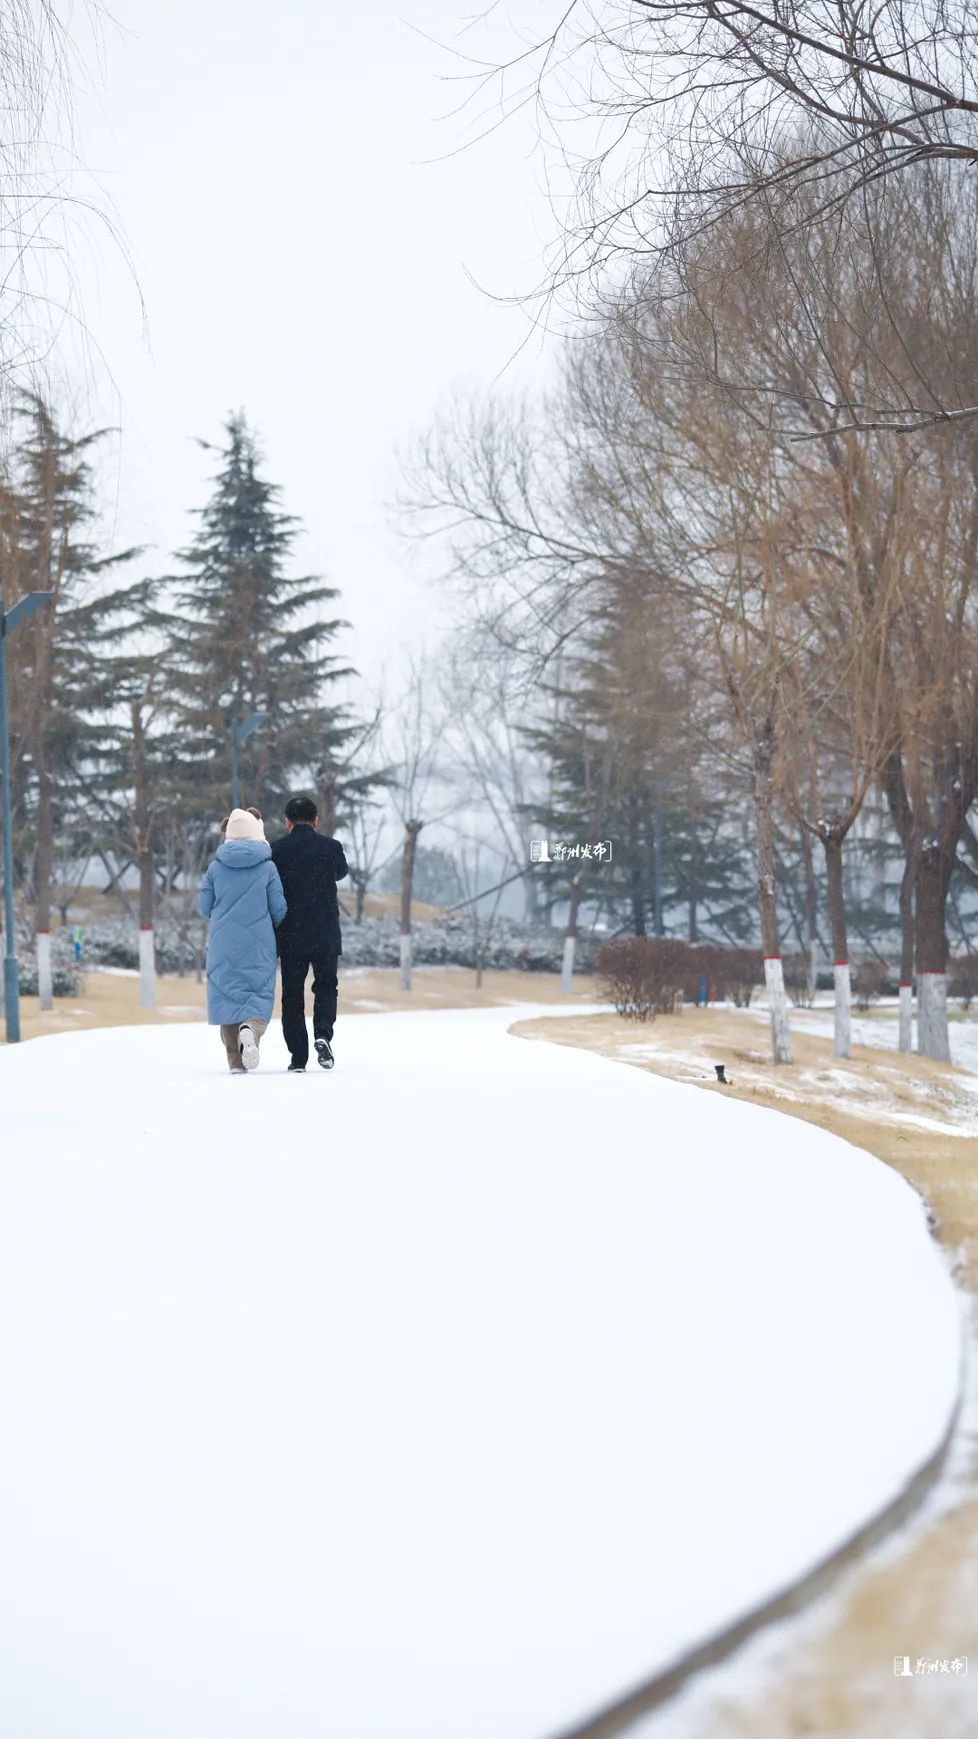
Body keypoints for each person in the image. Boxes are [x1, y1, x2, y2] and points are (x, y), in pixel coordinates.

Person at [199, 807, 287, 1074]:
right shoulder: (268, 867)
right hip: (259, 941)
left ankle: (235, 1062)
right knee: (258, 993)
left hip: (224, 942)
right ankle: (251, 1029)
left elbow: (204, 907)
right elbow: (279, 909)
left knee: (227, 997)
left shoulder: (215, 868)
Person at [271, 794, 348, 1072]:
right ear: (316, 820)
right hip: (326, 932)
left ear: (287, 821)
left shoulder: (276, 850)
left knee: (292, 995)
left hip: (291, 934)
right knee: (326, 986)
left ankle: (298, 1057)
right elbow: (341, 872)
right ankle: (322, 1035)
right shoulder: (331, 847)